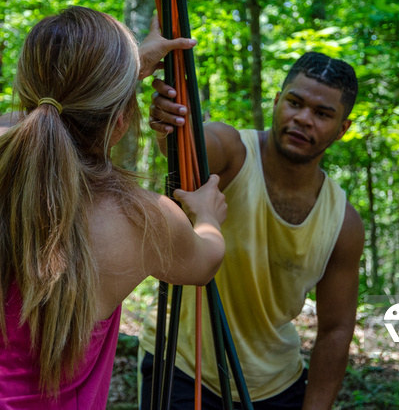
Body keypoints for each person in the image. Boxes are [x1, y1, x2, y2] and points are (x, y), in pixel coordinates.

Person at [0, 6, 228, 410]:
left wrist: (123, 70)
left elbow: (47, 112)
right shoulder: (141, 219)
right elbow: (205, 261)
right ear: (120, 123)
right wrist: (207, 215)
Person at [139, 52, 365, 410]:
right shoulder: (233, 152)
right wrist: (171, 124)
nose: (303, 119)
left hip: (276, 383)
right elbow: (189, 151)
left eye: (322, 114)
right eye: (294, 103)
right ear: (277, 102)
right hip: (184, 366)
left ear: (342, 129)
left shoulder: (343, 223)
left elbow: (336, 330)